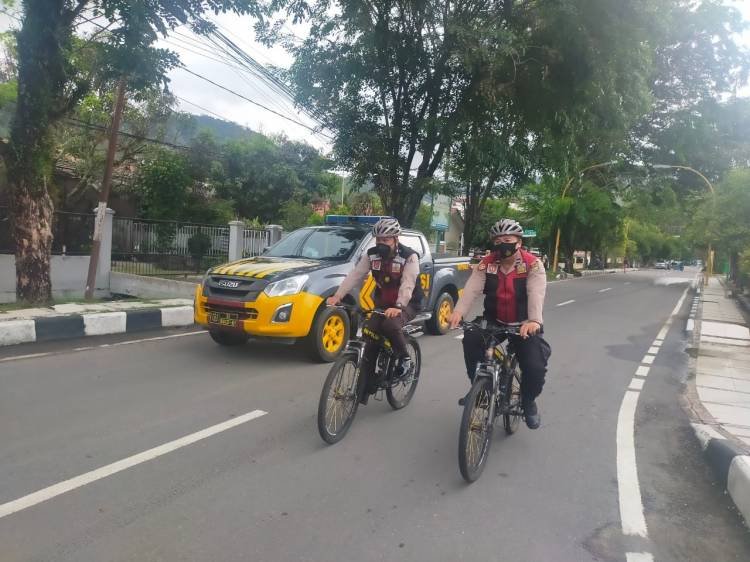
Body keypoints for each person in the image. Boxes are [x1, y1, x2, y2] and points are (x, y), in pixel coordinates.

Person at [449, 218, 551, 429]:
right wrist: (458, 312)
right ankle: (479, 386)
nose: (502, 244)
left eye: (507, 239)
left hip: (523, 324)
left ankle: (528, 401)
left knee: (534, 366)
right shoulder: (487, 263)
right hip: (494, 320)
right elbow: (472, 288)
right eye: (497, 240)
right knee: (471, 338)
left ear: (519, 242)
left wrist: (533, 321)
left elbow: (536, 292)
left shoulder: (532, 264)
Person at [327, 218, 422, 403]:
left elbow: (407, 284)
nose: (381, 244)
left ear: (396, 239)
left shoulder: (409, 256)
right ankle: (363, 390)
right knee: (369, 338)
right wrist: (338, 296)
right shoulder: (371, 255)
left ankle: (404, 360)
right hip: (382, 305)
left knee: (391, 325)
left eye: (386, 240)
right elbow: (355, 275)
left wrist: (399, 306)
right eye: (378, 240)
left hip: (408, 303)